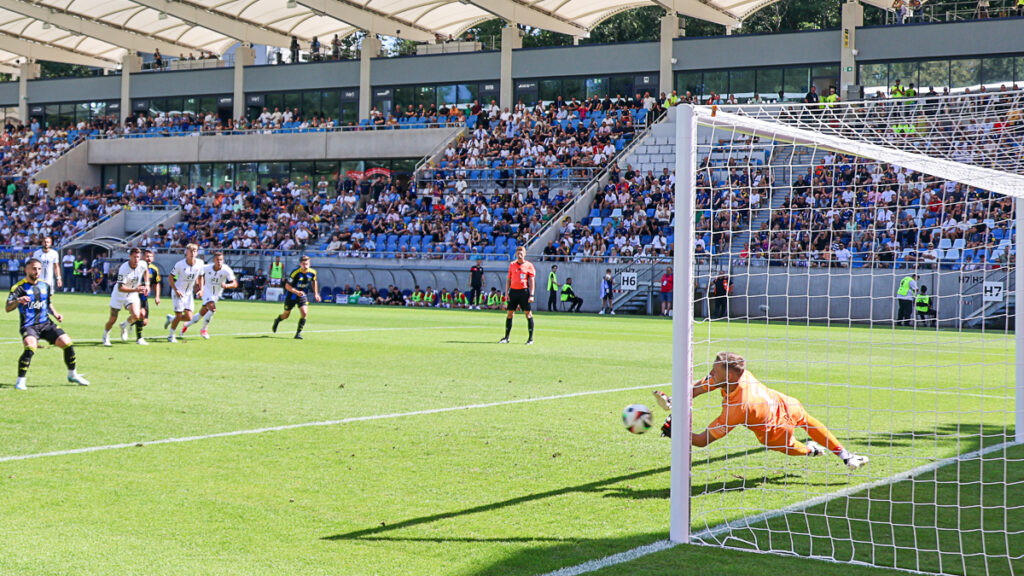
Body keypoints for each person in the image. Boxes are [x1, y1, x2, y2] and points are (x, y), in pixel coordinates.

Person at [653, 352, 869, 470]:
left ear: (728, 376)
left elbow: (701, 440)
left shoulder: (738, 408)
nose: (710, 373)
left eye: (715, 371)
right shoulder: (736, 376)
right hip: (783, 402)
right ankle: (845, 455)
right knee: (808, 420)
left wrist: (678, 433)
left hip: (774, 429)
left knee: (794, 446)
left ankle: (814, 451)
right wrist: (675, 400)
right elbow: (699, 388)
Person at [6, 258, 89, 390]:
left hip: (46, 324)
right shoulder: (18, 287)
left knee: (67, 342)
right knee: (30, 346)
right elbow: (7, 307)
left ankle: (72, 374)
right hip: (29, 326)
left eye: (39, 269)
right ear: (26, 269)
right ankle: (20, 381)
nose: (37, 271)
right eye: (34, 268)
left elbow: (48, 302)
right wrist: (18, 300)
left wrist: (55, 313)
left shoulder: (45, 285)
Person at [182, 252, 237, 339]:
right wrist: (198, 286)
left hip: (216, 294)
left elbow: (235, 284)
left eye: (221, 260)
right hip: (206, 291)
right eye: (217, 260)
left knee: (203, 312)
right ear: (214, 260)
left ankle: (186, 324)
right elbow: (197, 274)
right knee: (212, 308)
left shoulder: (226, 269)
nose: (219, 262)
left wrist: (227, 285)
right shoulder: (207, 268)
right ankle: (204, 329)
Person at [103, 247, 149, 347]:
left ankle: (124, 326)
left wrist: (147, 285)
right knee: (113, 318)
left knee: (137, 315)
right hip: (119, 295)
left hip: (132, 294)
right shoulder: (124, 268)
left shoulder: (142, 264)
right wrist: (136, 289)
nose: (136, 259)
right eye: (134, 257)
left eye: (138, 257)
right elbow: (120, 288)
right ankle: (105, 336)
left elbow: (146, 271)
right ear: (130, 257)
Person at [164, 243, 205, 343]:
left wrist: (201, 289)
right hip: (178, 292)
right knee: (179, 316)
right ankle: (171, 336)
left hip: (189, 294)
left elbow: (201, 276)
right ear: (186, 252)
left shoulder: (200, 263)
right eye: (190, 251)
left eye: (194, 251)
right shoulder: (180, 264)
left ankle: (171, 319)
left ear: (197, 253)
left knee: (189, 317)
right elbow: (170, 278)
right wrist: (176, 290)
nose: (192, 253)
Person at [272, 255, 320, 339]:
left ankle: (298, 333)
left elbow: (314, 281)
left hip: (302, 295)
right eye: (303, 264)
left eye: (307, 264)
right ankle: (278, 320)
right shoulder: (295, 273)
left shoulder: (313, 272)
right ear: (300, 264)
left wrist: (316, 293)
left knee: (304, 313)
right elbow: (287, 286)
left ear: (309, 264)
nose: (305, 266)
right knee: (286, 314)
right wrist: (296, 292)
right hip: (292, 295)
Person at [500, 246, 535, 345]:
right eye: (518, 252)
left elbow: (532, 281)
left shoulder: (529, 265)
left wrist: (531, 295)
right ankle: (506, 337)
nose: (520, 254)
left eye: (522, 252)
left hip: (524, 292)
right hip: (513, 292)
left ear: (525, 254)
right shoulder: (512, 265)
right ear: (515, 254)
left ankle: (530, 339)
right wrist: (507, 293)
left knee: (528, 314)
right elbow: (509, 279)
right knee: (510, 313)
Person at [136, 249, 161, 341]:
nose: (148, 258)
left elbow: (156, 283)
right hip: (134, 294)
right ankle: (139, 338)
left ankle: (127, 324)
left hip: (144, 296)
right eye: (147, 256)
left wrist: (157, 296)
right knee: (140, 314)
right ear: (143, 257)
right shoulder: (137, 266)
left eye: (150, 256)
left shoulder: (154, 269)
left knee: (145, 322)